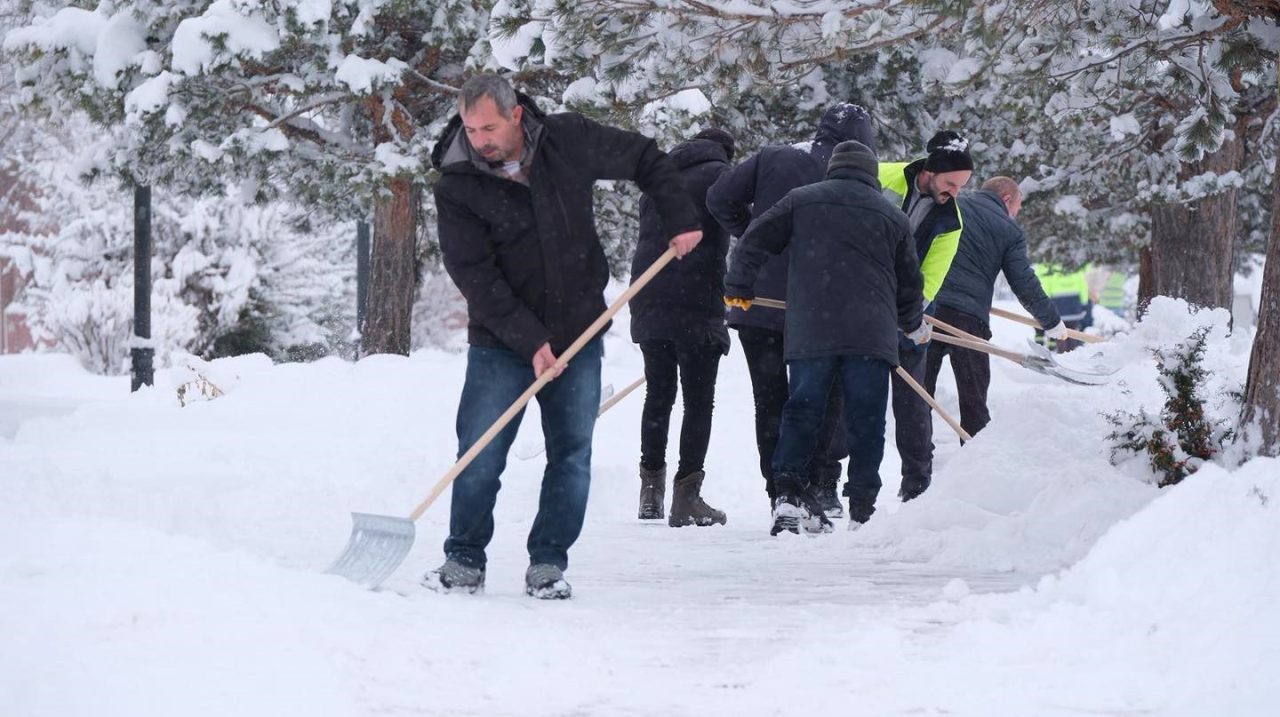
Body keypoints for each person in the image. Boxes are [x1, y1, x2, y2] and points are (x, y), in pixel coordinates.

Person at [426, 74, 702, 599]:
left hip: (579, 332)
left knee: (571, 455)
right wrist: (529, 340)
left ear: (515, 116)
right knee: (480, 452)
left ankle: (548, 562)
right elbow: (474, 275)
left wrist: (680, 216)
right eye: (470, 127)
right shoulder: (458, 183)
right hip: (500, 342)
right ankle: (463, 558)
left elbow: (645, 157)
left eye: (488, 126)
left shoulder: (568, 139)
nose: (480, 138)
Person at [724, 140, 928, 534]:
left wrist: (739, 285)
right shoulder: (892, 216)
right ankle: (863, 509)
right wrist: (911, 322)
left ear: (832, 169)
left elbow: (753, 239)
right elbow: (910, 285)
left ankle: (787, 494)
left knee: (802, 410)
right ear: (871, 175)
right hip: (871, 335)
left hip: (812, 328)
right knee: (866, 420)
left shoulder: (802, 201)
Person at [706, 103, 876, 518]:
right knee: (819, 399)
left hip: (757, 301)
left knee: (770, 401)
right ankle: (817, 484)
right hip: (818, 307)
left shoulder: (774, 157)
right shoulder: (850, 176)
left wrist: (753, 232)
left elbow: (719, 197)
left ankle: (780, 492)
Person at [629, 128, 735, 527]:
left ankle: (650, 492)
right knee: (697, 400)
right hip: (696, 299)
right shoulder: (723, 177)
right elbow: (741, 226)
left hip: (648, 296)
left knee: (658, 394)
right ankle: (686, 497)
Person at [925, 176, 1068, 437]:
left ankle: (917, 470)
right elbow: (1023, 282)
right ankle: (976, 461)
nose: (1016, 214)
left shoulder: (954, 206)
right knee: (974, 401)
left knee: (919, 394)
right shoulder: (1008, 230)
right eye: (1018, 207)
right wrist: (1051, 321)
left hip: (928, 308)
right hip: (968, 319)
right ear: (1007, 199)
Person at [878, 130, 973, 506]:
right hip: (857, 296)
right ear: (930, 171)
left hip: (910, 308)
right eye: (951, 182)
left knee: (912, 394)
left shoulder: (952, 221)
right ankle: (829, 479)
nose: (955, 192)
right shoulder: (881, 175)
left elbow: (930, 280)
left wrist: (908, 314)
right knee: (848, 387)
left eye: (962, 185)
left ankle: (917, 480)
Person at [1033, 263, 1093, 352]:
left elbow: (1046, 290)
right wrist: (1084, 304)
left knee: (1061, 334)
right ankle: (1072, 355)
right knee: (1072, 333)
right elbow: (1083, 288)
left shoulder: (1052, 271)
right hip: (1074, 309)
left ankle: (1063, 356)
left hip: (1059, 309)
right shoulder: (1076, 270)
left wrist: (1046, 308)